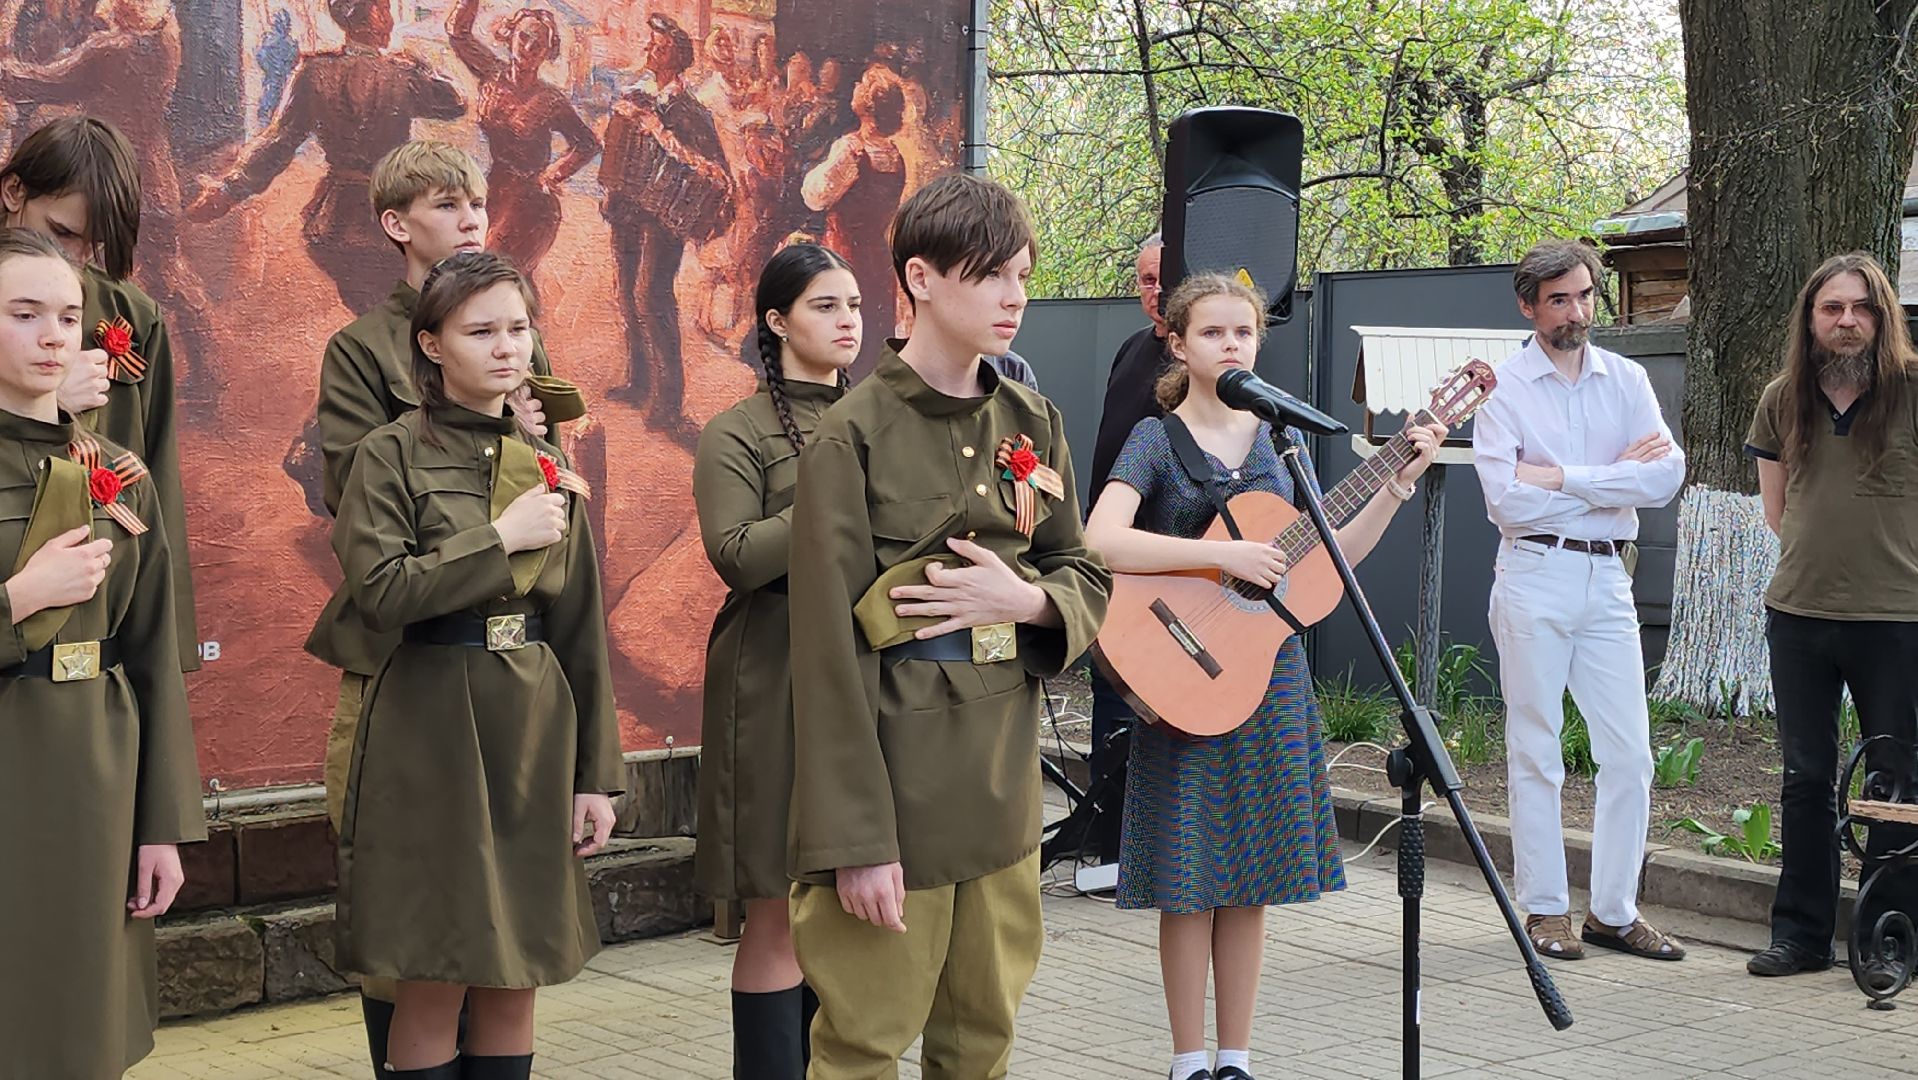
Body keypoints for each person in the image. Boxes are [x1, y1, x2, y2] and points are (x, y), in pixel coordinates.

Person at [786, 173, 1109, 1079]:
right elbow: (825, 656)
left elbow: (1082, 569)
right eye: (992, 274)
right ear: (921, 278)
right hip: (898, 795)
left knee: (982, 1045)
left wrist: (1030, 601)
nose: (1015, 296)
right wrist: (855, 846)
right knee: (861, 1044)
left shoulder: (1032, 421)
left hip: (1003, 792)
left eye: (1023, 275)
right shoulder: (852, 435)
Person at [1085, 273, 1442, 1080]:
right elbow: (1100, 540)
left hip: (1267, 679)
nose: (1231, 346)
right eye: (1212, 334)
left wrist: (1393, 488)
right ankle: (1186, 1061)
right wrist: (1219, 554)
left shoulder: (1281, 446)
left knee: (1249, 874)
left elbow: (1328, 561)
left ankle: (1237, 1058)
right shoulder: (1154, 438)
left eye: (1242, 334)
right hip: (1181, 674)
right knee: (1188, 875)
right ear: (1177, 344)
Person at [301, 138, 572, 1075]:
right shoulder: (361, 354)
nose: (470, 217)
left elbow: (568, 594)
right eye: (449, 203)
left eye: (477, 202)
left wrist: (522, 439)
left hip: (521, 694)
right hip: (412, 668)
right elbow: (355, 500)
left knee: (512, 961)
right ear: (396, 223)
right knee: (418, 955)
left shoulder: (517, 355)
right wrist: (472, 476)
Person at [331, 251, 621, 1079]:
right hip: (427, 729)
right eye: (481, 330)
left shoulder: (549, 465)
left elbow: (578, 627)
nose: (507, 349)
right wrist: (499, 540)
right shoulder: (387, 456)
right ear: (431, 344)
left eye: (520, 329)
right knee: (434, 973)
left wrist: (596, 777)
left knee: (516, 974)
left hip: (531, 726)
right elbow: (380, 592)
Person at [0, 226, 204, 1077]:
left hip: (97, 777)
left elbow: (153, 656)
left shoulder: (120, 475)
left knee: (81, 1031)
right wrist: (18, 601)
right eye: (23, 313)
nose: (55, 336)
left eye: (70, 316)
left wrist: (161, 827)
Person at [1471, 238, 1687, 963]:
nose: (1577, 310)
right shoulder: (1501, 388)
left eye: (1586, 295)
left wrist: (1560, 480)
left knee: (1628, 751)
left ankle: (1615, 912)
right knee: (1536, 749)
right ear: (1528, 304)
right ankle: (1545, 911)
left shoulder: (1625, 379)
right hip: (1533, 574)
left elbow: (1663, 480)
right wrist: (1608, 479)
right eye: (1560, 298)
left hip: (1607, 578)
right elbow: (1506, 502)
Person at [694, 242, 860, 1078]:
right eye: (826, 305)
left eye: (856, 306)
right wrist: (829, 497)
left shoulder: (879, 416)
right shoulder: (736, 431)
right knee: (777, 909)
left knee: (853, 905)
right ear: (777, 320)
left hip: (868, 670)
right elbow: (735, 555)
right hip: (772, 672)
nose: (848, 322)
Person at [1745, 251, 1918, 977]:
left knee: (1896, 782)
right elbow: (1778, 511)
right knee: (1806, 778)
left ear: (1882, 316)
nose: (1847, 321)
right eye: (1832, 309)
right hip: (1800, 616)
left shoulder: (1914, 392)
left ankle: (1887, 941)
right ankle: (1802, 937)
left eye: (1861, 308)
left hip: (1898, 619)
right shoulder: (1783, 397)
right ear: (1811, 320)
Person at [0, 115, 199, 673]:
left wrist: (169, 641)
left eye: (92, 245)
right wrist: (45, 403)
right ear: (14, 192)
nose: (73, 260)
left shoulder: (132, 316)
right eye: (61, 232)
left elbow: (157, 471)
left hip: (102, 602)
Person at [0, 0, 222, 414]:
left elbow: (38, 83)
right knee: (170, 274)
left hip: (101, 180)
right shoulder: (162, 41)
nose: (103, 7)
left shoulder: (110, 51)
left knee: (100, 289)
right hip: (151, 177)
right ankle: (209, 370)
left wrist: (6, 50)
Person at [186, 0, 466, 314]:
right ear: (372, 15)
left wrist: (229, 190)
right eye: (385, 9)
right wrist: (422, 65)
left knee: (371, 308)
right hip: (392, 213)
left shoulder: (315, 71)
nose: (389, 20)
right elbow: (455, 104)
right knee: (402, 304)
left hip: (335, 219)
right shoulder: (402, 75)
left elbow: (279, 142)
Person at [599, 11, 730, 441]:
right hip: (629, 211)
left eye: (657, 47)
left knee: (651, 296)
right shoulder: (636, 95)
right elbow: (617, 151)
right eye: (650, 45)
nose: (649, 51)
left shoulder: (689, 110)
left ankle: (668, 402)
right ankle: (638, 383)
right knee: (625, 293)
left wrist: (658, 131)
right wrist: (612, 189)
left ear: (675, 55)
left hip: (666, 215)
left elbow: (714, 171)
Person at [1084, 230, 1168, 799]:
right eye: (1146, 278)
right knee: (1106, 685)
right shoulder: (1132, 347)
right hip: (1105, 552)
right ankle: (1102, 818)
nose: (1156, 288)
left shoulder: (1201, 366)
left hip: (1162, 560)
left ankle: (1136, 832)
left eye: (1165, 276)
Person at [445, 0, 599, 276]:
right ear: (510, 36)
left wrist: (553, 174)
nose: (528, 48)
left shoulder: (550, 100)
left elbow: (588, 143)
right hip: (495, 188)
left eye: (537, 44)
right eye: (524, 37)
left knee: (490, 270)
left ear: (546, 53)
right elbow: (458, 33)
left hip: (532, 200)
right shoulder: (492, 74)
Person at [801, 66, 907, 373]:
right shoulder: (894, 155)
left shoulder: (852, 150)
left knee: (836, 336)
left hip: (842, 254)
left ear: (868, 104)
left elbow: (815, 196)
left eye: (861, 84)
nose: (856, 84)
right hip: (877, 259)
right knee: (870, 335)